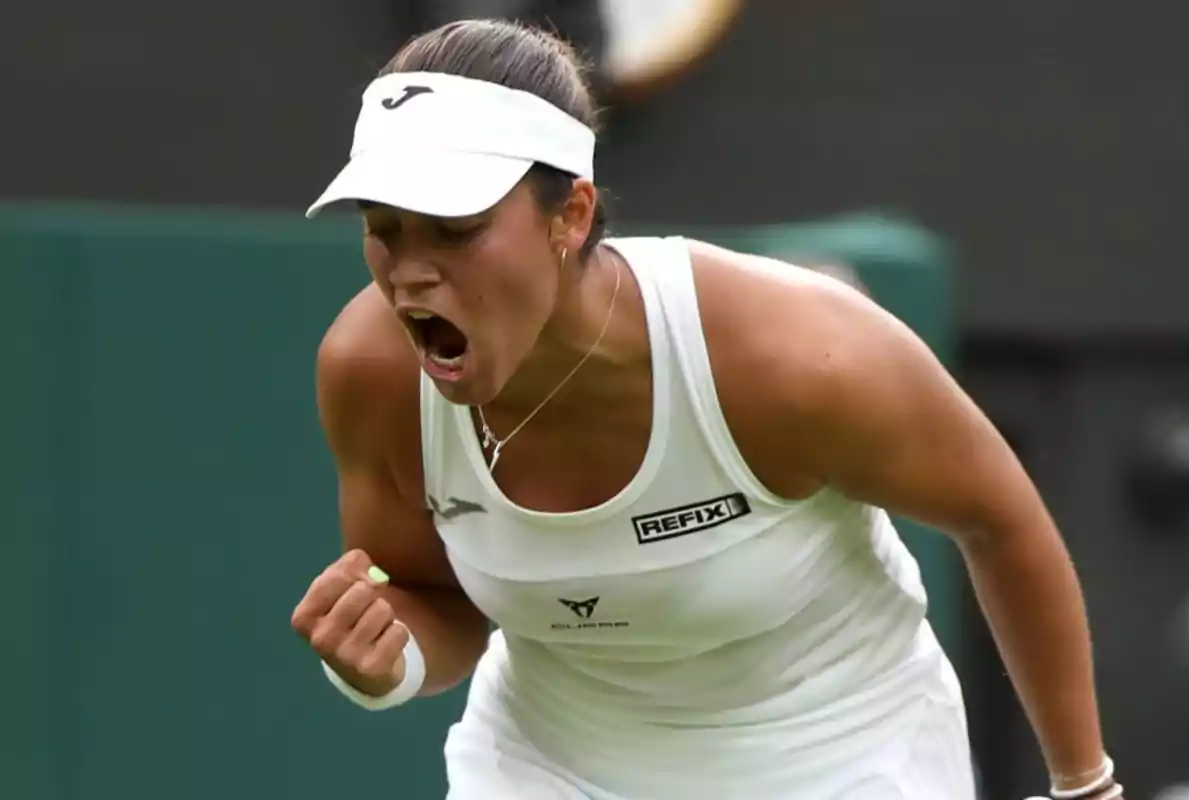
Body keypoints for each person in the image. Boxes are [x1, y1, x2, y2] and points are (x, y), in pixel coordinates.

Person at [290, 18, 1122, 800]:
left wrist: (1085, 785)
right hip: (552, 767)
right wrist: (385, 660)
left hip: (842, 759)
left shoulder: (793, 359)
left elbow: (1001, 522)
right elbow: (436, 601)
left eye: (456, 228)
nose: (409, 272)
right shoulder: (371, 371)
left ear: (570, 217)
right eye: (386, 228)